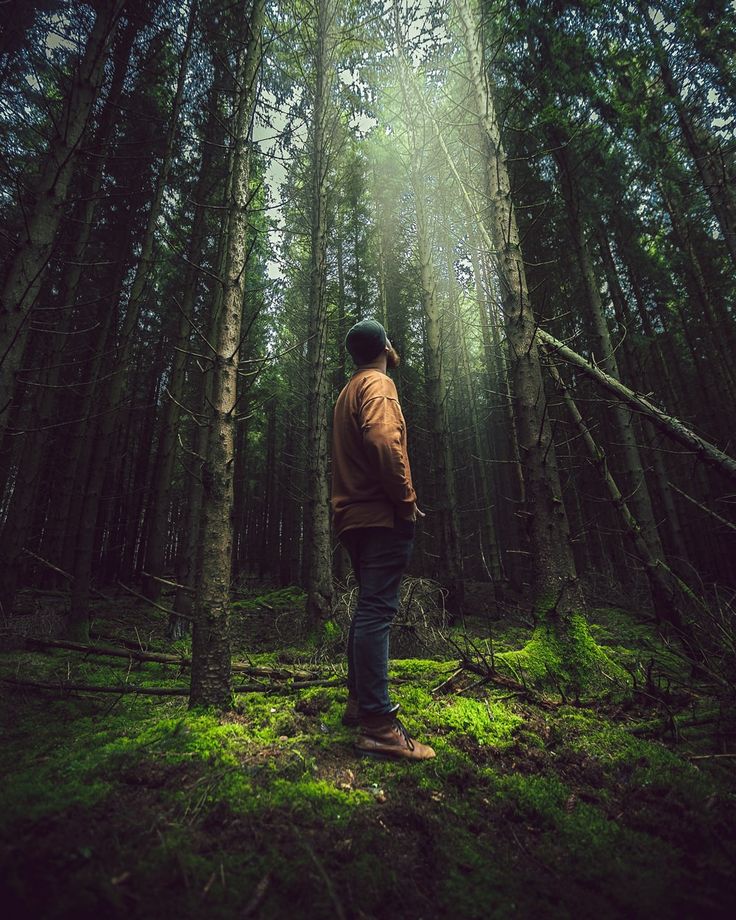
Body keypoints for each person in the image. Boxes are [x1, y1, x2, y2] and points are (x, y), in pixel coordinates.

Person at [331, 318, 435, 761]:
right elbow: (382, 439)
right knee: (377, 610)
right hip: (379, 515)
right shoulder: (378, 383)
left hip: (353, 518)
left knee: (368, 607)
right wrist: (406, 499)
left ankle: (359, 704)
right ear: (385, 347)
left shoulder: (347, 391)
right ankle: (378, 725)